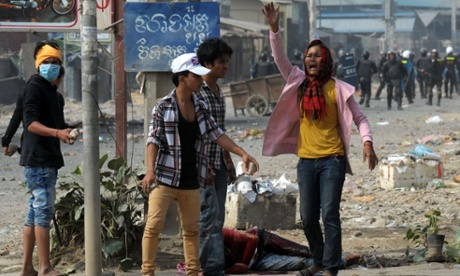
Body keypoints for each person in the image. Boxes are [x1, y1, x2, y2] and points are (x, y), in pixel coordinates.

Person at [261, 3, 378, 276]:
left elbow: (360, 119)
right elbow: (279, 58)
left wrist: (368, 142)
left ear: (325, 61)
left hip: (332, 161)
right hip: (306, 161)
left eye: (317, 56)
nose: (312, 59)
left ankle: (329, 267)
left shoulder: (338, 88)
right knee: (308, 218)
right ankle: (319, 258)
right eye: (308, 55)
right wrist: (274, 28)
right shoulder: (298, 81)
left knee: (330, 215)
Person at [140, 53, 259, 276]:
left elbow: (217, 134)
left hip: (192, 180)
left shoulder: (200, 106)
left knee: (192, 231)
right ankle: (148, 272)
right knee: (153, 228)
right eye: (196, 76)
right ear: (182, 78)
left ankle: (193, 272)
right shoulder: (162, 107)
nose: (200, 80)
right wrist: (149, 172)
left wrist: (242, 152)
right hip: (165, 179)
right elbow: (153, 140)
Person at [20, 41, 75, 276]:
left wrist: (67, 129)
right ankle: (44, 267)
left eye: (55, 63)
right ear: (38, 64)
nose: (51, 67)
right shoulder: (36, 87)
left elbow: (54, 123)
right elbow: (30, 123)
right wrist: (57, 133)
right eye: (47, 62)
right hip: (39, 160)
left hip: (44, 160)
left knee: (35, 212)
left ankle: (27, 268)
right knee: (43, 211)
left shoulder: (51, 93)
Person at [195, 38, 237, 276]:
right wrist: (205, 165)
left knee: (218, 219)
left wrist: (228, 160)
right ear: (208, 64)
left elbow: (219, 130)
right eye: (222, 62)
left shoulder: (218, 91)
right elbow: (196, 135)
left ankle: (214, 267)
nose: (226, 66)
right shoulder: (197, 92)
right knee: (206, 220)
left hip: (219, 164)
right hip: (204, 167)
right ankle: (199, 267)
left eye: (227, 62)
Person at [2, 67, 78, 157]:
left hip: (35, 152)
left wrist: (6, 141)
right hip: (44, 153)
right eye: (60, 80)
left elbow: (16, 118)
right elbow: (57, 125)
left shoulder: (55, 97)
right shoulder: (55, 97)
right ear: (57, 78)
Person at [222, 227, 361, 273]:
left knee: (303, 251)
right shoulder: (214, 266)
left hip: (263, 240)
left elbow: (253, 239)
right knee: (300, 263)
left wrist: (248, 257)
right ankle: (340, 262)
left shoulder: (219, 235)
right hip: (258, 261)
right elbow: (243, 268)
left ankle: (333, 259)